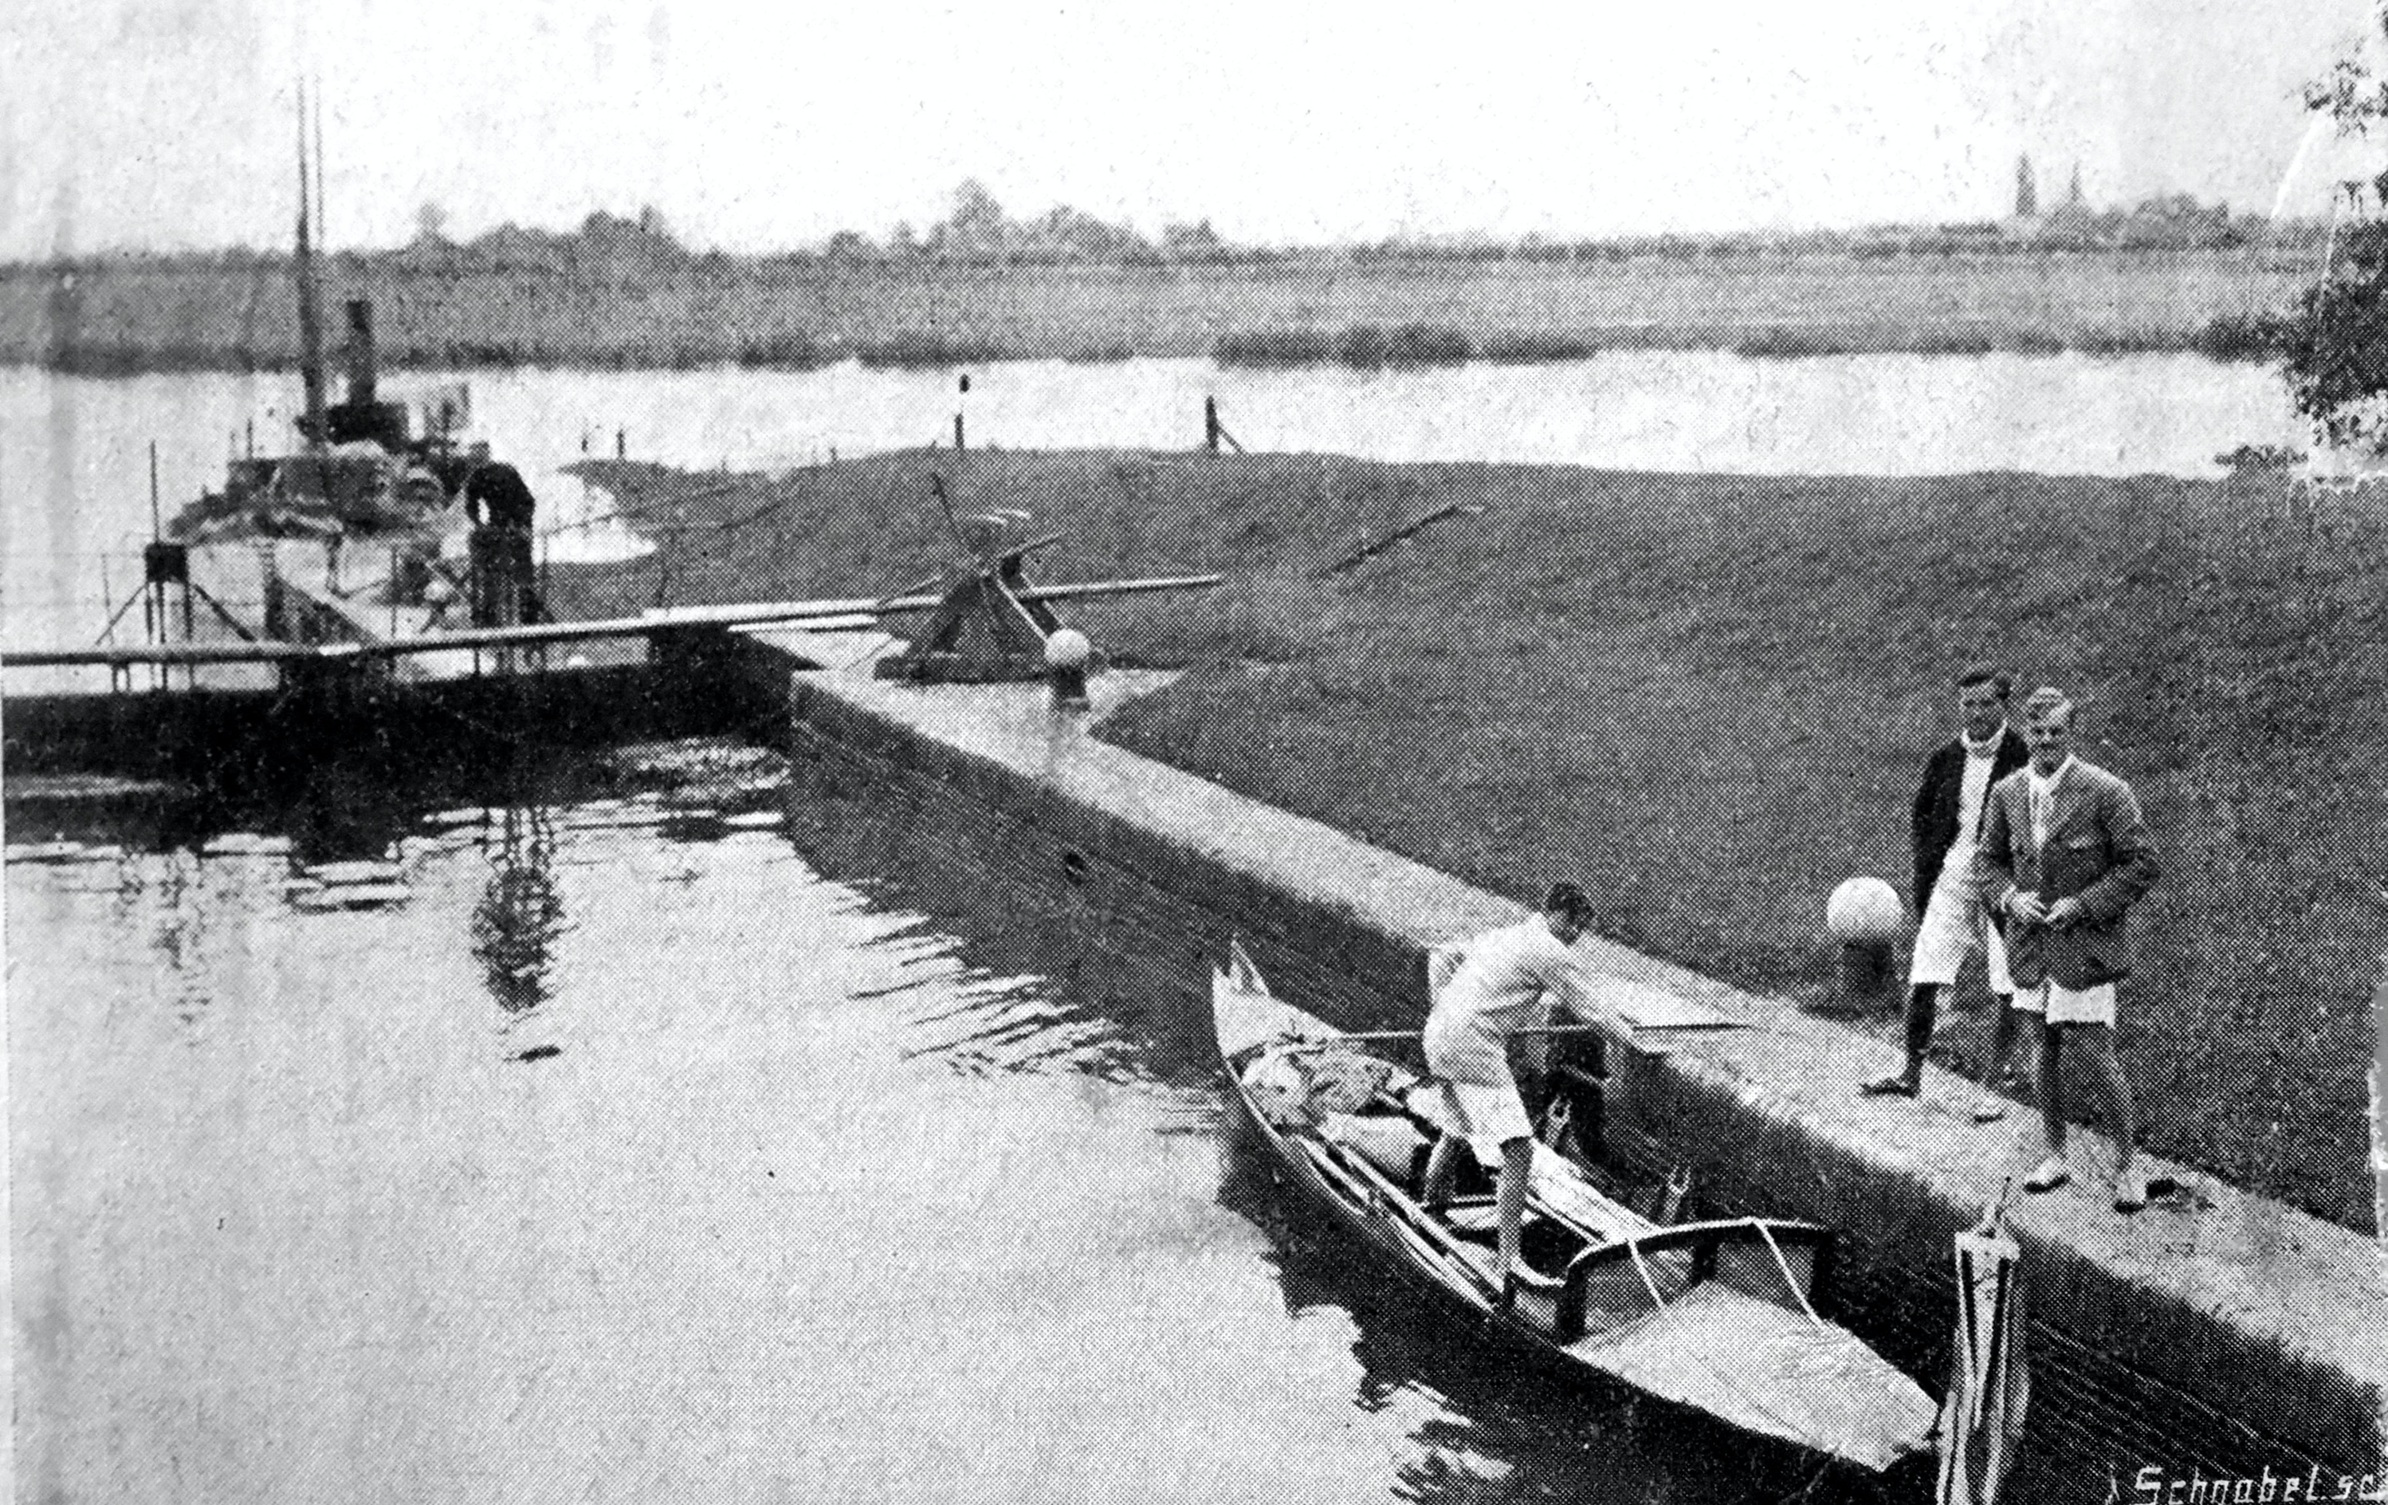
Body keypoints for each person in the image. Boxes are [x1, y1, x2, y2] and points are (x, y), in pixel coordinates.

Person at [1977, 689, 2160, 1212]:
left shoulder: (2106, 790)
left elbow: (2142, 864)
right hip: (2030, 948)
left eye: (2056, 732)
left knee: (2096, 1053)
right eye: (2037, 733)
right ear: (2025, 734)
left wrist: (2083, 904)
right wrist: (2010, 898)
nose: (2046, 742)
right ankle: (2055, 1152)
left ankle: (2127, 1166)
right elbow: (1987, 862)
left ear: (2071, 733)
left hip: (2082, 950)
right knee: (2043, 1048)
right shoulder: (2007, 792)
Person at [1418, 882, 1626, 1304]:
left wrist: (1441, 1008)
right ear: (1558, 915)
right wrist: (1630, 1048)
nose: (1576, 936)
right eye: (1574, 926)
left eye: (1581, 929)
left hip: (1438, 1036)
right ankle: (1509, 1261)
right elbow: (1595, 1012)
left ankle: (1430, 1212)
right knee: (1518, 1149)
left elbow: (1440, 955)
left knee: (1456, 1131)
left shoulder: (1506, 935)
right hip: (1474, 1048)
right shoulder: (1549, 950)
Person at [1862, 664, 2030, 1116]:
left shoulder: (2023, 756)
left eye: (1986, 704)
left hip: (2004, 876)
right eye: (1968, 705)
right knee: (1926, 968)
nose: (1976, 714)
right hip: (1955, 871)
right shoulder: (1945, 758)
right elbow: (1923, 816)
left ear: (2004, 705)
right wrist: (1932, 863)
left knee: (2007, 979)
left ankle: (1993, 1087)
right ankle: (1910, 1073)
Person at [462, 443, 544, 626]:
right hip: (497, 522)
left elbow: (526, 500)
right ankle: (489, 613)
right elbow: (471, 506)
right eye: (474, 460)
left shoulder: (505, 471)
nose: (477, 463)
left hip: (519, 519)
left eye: (479, 458)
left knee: (522, 568)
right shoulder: (476, 478)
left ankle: (528, 613)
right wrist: (479, 525)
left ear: (487, 456)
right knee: (489, 567)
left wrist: (520, 524)